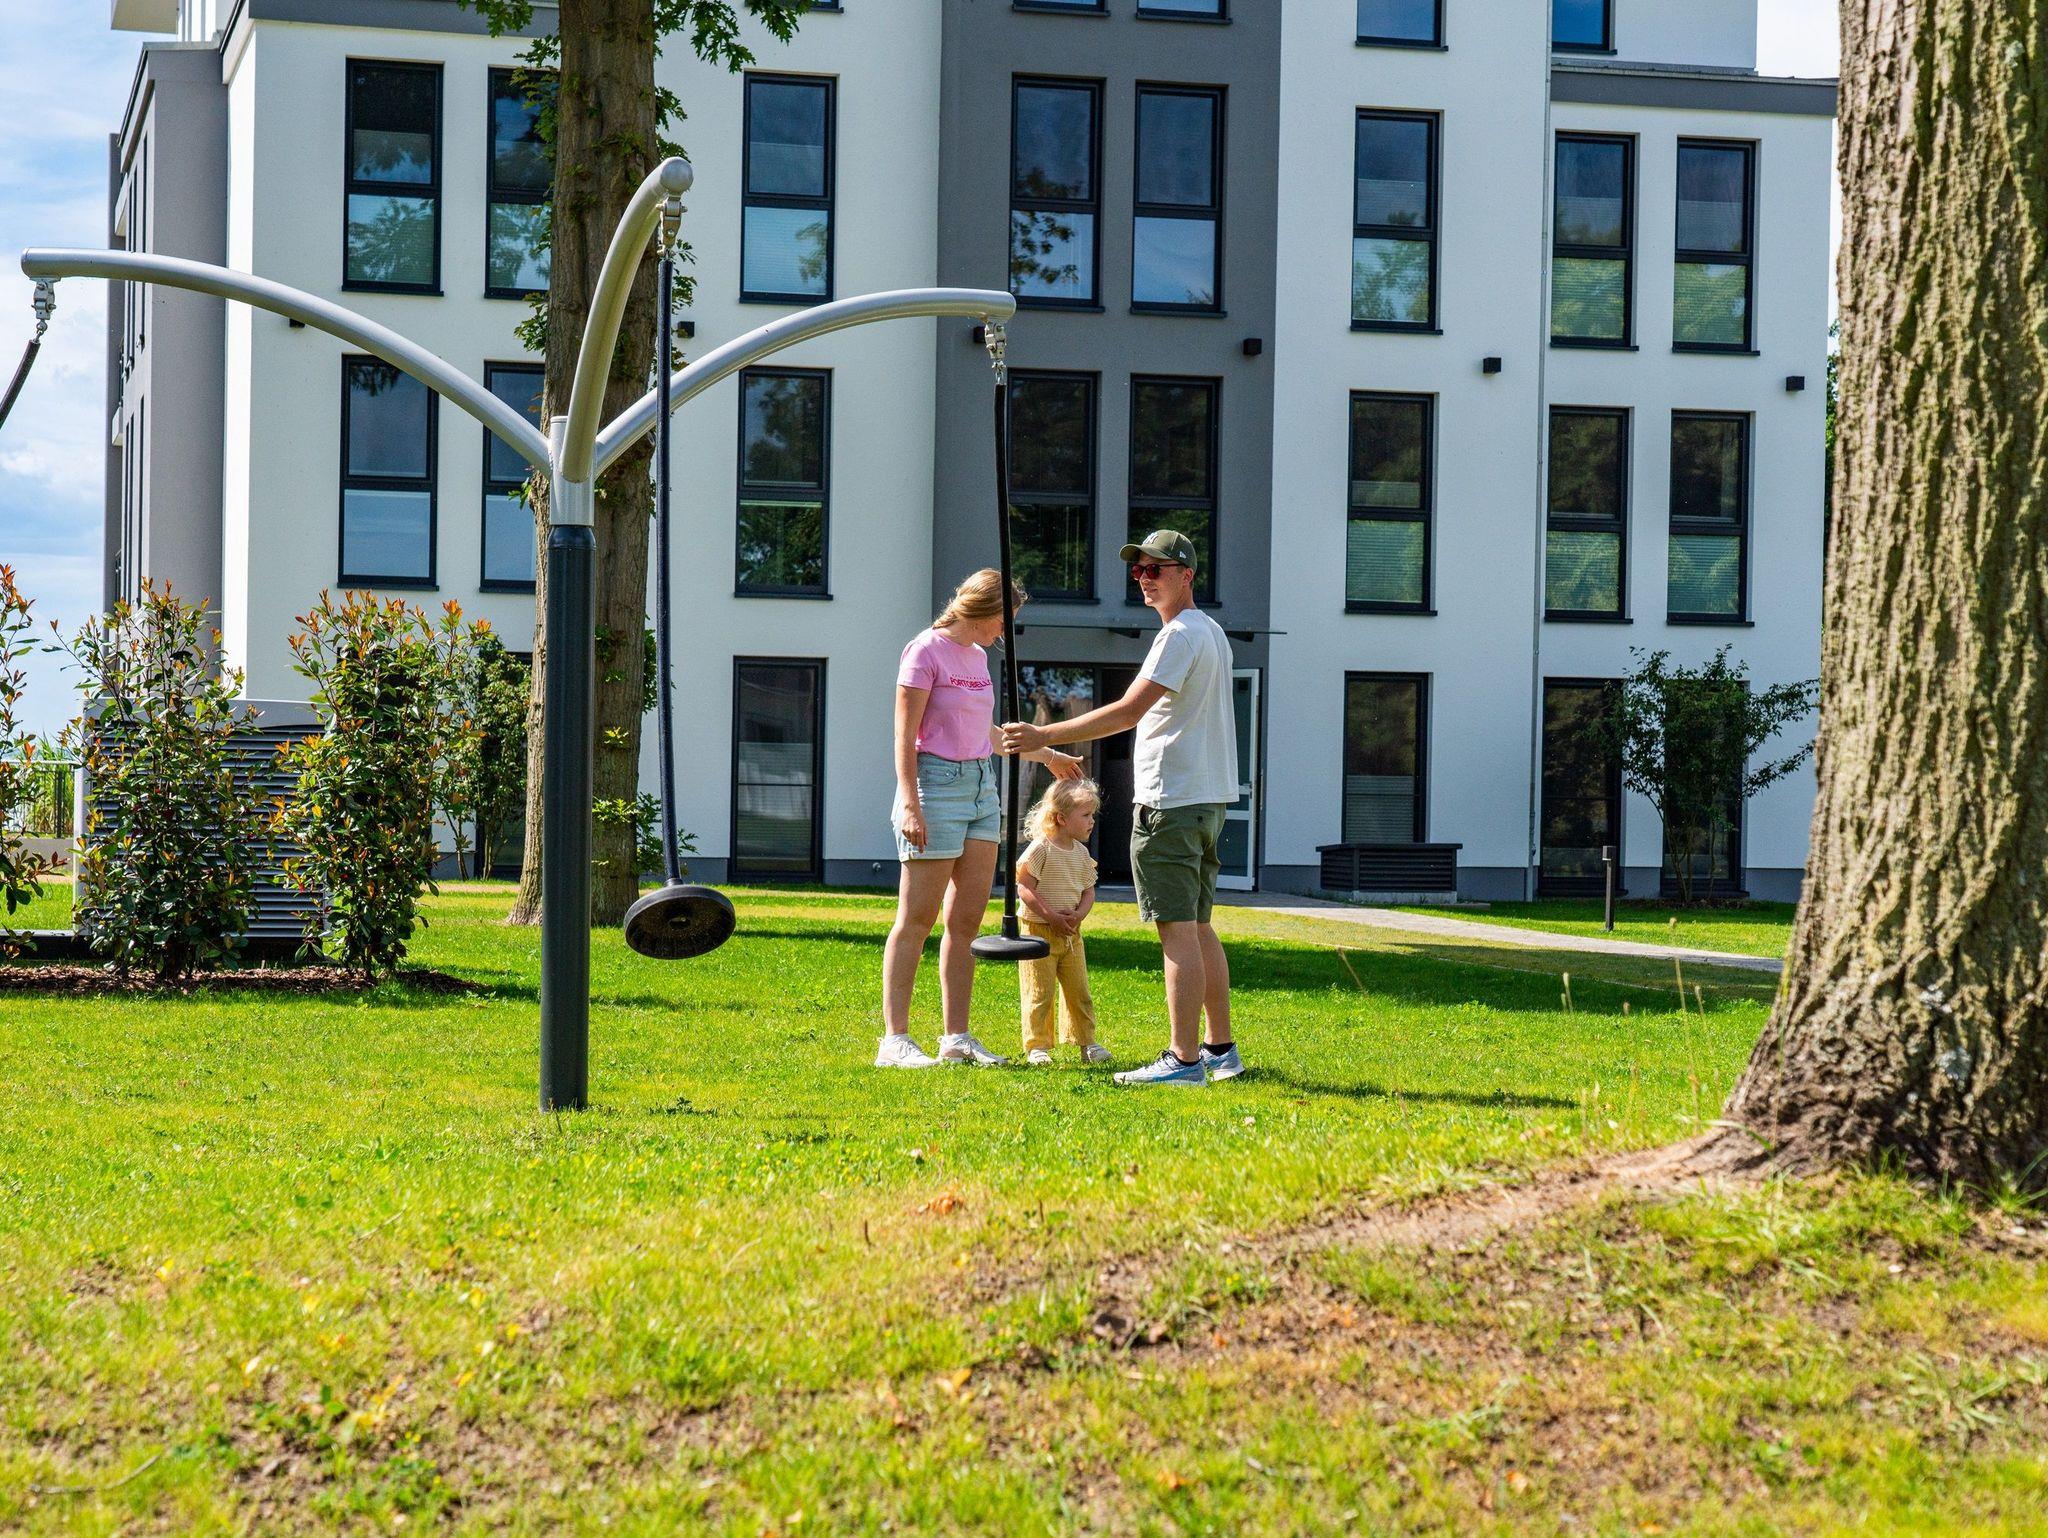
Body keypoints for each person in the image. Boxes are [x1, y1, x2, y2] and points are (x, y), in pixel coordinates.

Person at [997, 530, 1242, 1087]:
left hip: (1170, 803)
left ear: (1187, 575)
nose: (1144, 579)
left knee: (1177, 931)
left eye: (1156, 569)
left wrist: (1042, 735)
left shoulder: (1179, 635)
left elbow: (1128, 712)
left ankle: (1183, 1061)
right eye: (1138, 571)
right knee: (1199, 926)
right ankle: (1220, 1051)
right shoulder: (1212, 633)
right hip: (1205, 803)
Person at [878, 568, 1082, 1069]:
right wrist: (910, 801)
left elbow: (985, 731)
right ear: (985, 611)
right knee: (917, 919)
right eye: (1005, 620)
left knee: (965, 921)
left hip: (981, 789)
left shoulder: (976, 657)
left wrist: (1047, 754)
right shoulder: (924, 651)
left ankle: (956, 1037)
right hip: (934, 785)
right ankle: (895, 1040)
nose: (1006, 631)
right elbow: (904, 734)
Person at [1014, 776, 1110, 1066]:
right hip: (1037, 932)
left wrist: (1078, 915)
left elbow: (1088, 891)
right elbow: (1024, 887)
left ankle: (1086, 1042)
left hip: (1070, 934)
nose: (1091, 821)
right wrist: (1050, 916)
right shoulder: (1041, 849)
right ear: (1061, 818)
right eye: (1085, 815)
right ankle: (1037, 1047)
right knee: (1038, 991)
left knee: (1079, 991)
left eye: (1092, 815)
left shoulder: (1081, 853)